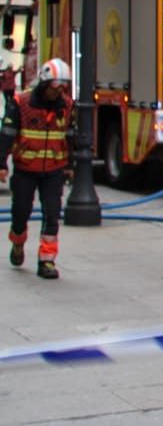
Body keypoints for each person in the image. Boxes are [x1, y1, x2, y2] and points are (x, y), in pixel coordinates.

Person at [0, 58, 77, 280]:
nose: (59, 91)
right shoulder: (21, 103)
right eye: (56, 86)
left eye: (63, 86)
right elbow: (6, 135)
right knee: (20, 213)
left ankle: (47, 261)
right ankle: (17, 243)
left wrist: (70, 165)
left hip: (54, 170)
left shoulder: (67, 107)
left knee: (52, 214)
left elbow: (70, 137)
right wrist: (2, 164)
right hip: (25, 169)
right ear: (44, 84)